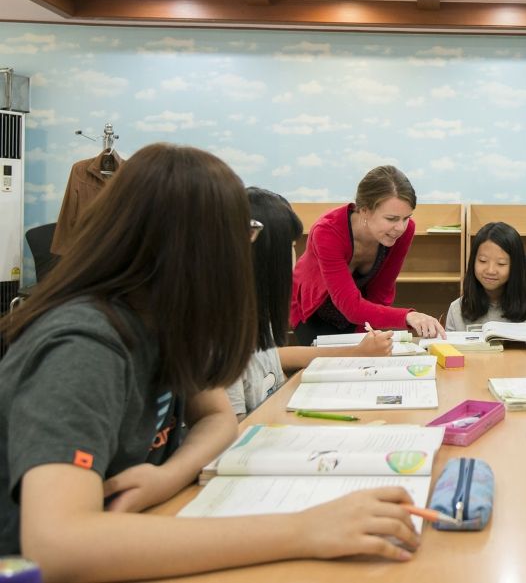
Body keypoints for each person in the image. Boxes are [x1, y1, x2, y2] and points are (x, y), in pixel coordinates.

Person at [0, 144, 418, 582]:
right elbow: (60, 545)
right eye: (239, 236)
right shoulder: (84, 345)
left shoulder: (165, 317)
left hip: (145, 528)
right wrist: (304, 529)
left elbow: (217, 417)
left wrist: (168, 476)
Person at [227, 188, 394, 419]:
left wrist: (356, 352)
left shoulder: (254, 313)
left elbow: (270, 358)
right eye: (290, 246)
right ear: (266, 253)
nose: (295, 256)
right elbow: (232, 429)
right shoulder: (223, 334)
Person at [291, 165, 443, 344]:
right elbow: (350, 306)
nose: (400, 227)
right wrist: (408, 317)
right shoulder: (327, 232)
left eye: (406, 217)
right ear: (364, 210)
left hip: (360, 310)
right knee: (327, 366)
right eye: (391, 219)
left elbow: (381, 292)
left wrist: (365, 335)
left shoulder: (404, 230)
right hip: (314, 313)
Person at [446, 221, 526, 331]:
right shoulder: (457, 309)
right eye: (483, 261)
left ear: (516, 267)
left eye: (501, 263)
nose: (490, 270)